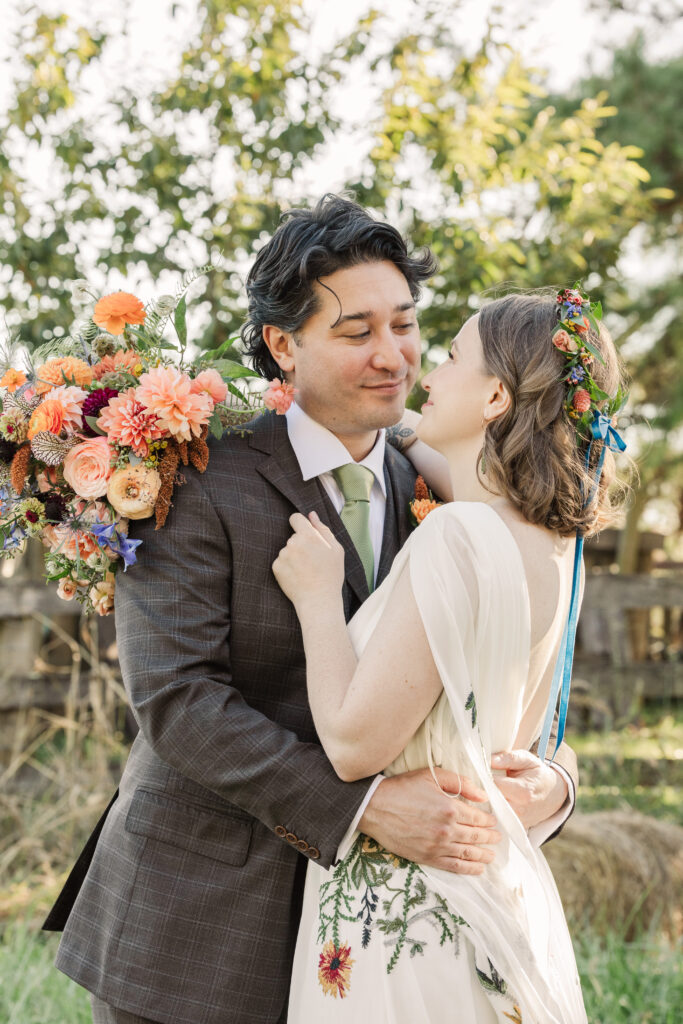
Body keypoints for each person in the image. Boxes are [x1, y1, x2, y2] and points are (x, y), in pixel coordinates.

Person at [45, 196, 577, 1024]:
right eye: (356, 332)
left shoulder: (446, 485)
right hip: (201, 923)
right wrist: (362, 809)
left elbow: (503, 660)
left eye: (403, 324)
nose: (394, 356)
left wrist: (554, 777)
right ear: (284, 345)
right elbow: (177, 701)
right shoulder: (192, 479)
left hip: (380, 949)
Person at [273, 289, 625, 1023]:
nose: (425, 374)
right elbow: (416, 434)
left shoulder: (455, 538)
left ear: (495, 394)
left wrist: (314, 596)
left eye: (451, 356)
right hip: (495, 892)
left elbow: (348, 743)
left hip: (404, 923)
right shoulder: (558, 546)